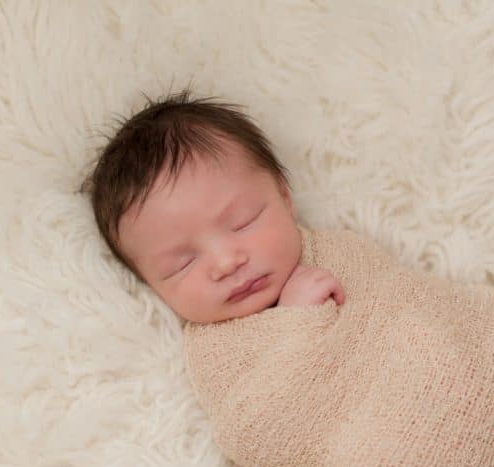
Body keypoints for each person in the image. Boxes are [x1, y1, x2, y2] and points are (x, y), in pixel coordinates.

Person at [83, 90, 344, 324]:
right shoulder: (215, 351)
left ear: (284, 197)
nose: (226, 263)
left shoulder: (342, 251)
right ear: (150, 286)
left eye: (243, 222)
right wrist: (294, 321)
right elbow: (265, 380)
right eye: (182, 264)